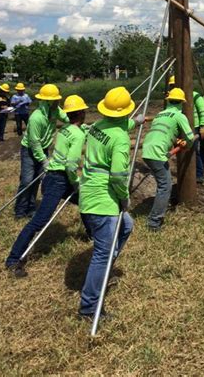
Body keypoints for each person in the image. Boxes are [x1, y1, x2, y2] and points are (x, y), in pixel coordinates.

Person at [5, 95, 89, 277]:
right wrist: (76, 182)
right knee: (39, 221)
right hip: (59, 180)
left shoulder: (65, 129)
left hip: (55, 177)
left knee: (85, 201)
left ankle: (90, 233)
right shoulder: (76, 133)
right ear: (81, 112)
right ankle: (13, 259)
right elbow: (71, 165)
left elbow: (80, 130)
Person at [78, 87, 136, 319]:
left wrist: (136, 121)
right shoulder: (120, 138)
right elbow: (119, 176)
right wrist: (124, 198)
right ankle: (89, 307)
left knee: (127, 226)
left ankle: (102, 271)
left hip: (88, 193)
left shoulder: (97, 127)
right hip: (104, 200)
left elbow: (121, 124)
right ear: (123, 113)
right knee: (103, 252)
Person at [142, 87, 195, 231]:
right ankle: (154, 222)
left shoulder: (160, 114)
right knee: (165, 186)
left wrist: (176, 141)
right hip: (156, 152)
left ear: (169, 100)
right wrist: (187, 144)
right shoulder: (179, 115)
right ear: (182, 103)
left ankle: (155, 218)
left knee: (163, 183)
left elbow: (164, 132)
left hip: (146, 149)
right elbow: (190, 137)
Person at [15, 84, 69, 219]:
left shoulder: (55, 110)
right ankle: (20, 210)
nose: (58, 101)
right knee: (27, 181)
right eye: (56, 99)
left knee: (37, 180)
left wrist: (78, 123)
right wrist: (43, 160)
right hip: (30, 150)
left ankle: (31, 208)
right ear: (48, 101)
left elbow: (67, 119)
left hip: (43, 149)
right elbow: (34, 143)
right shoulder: (36, 118)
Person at [167, 76, 204, 184]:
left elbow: (202, 111)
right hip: (178, 127)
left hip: (193, 127)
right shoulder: (171, 97)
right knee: (180, 149)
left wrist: (203, 125)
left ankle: (199, 175)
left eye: (173, 85)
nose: (171, 87)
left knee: (193, 150)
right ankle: (183, 173)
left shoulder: (195, 95)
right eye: (171, 86)